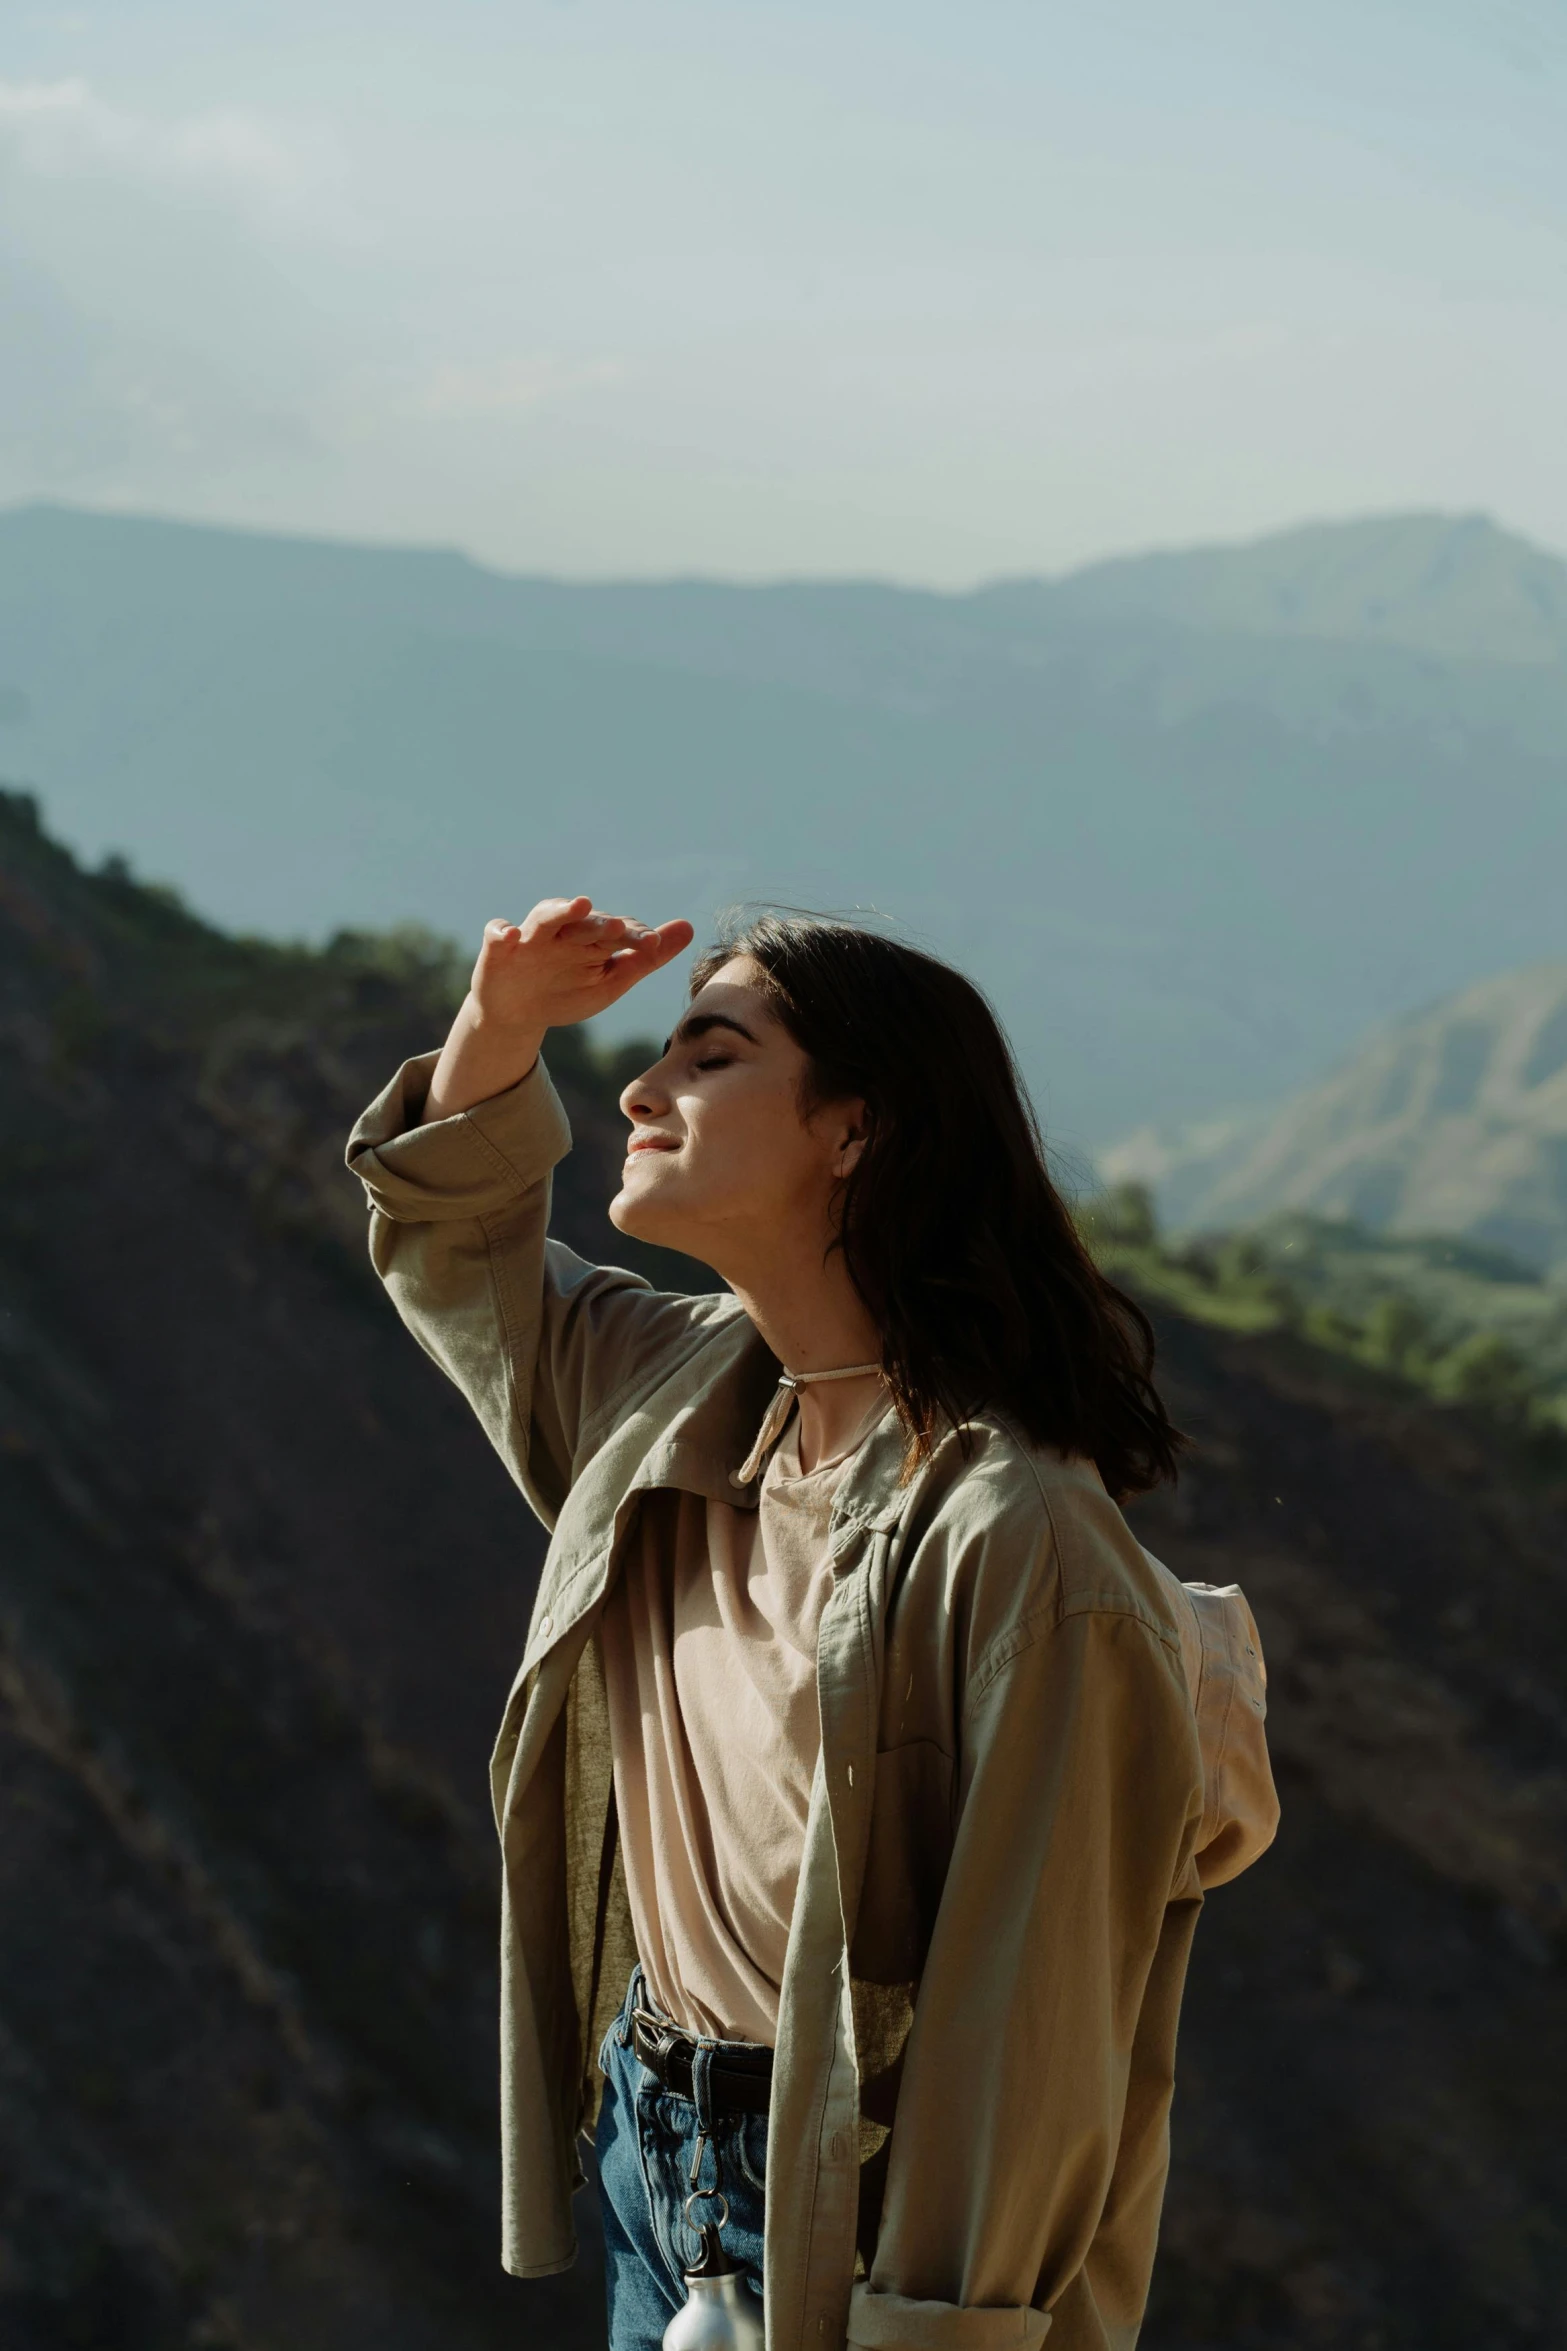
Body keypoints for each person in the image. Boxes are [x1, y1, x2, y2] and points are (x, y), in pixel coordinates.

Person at [347, 896, 1278, 2351]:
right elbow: (458, 1253)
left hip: (855, 2213)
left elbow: (1024, 2035)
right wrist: (501, 1024)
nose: (640, 1092)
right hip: (657, 2155)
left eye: (709, 1057)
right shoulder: (674, 1390)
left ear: (858, 1128)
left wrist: (927, 2325)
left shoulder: (1017, 1535)